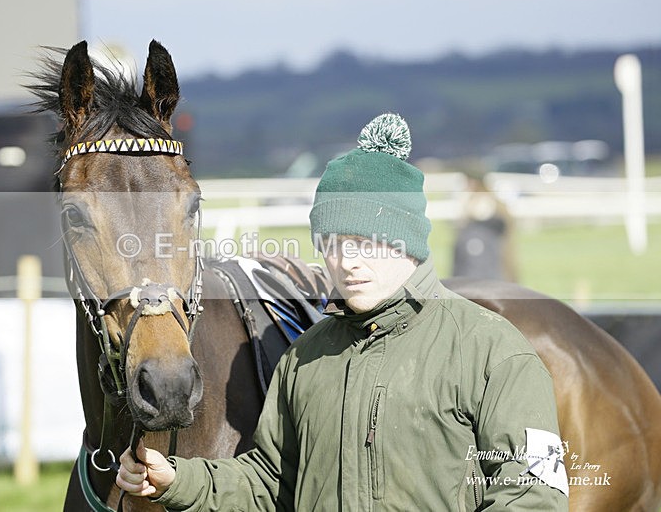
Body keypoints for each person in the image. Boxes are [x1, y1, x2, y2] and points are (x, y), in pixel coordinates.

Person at [116, 113, 569, 510]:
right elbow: (272, 483)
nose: (346, 262)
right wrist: (179, 480)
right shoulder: (302, 359)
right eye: (332, 244)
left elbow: (532, 495)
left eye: (364, 242)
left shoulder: (495, 352)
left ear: (407, 241)